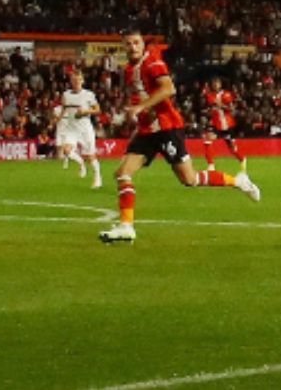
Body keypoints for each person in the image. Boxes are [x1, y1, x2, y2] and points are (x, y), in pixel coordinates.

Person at [99, 32, 259, 243]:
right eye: (128, 44)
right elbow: (141, 96)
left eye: (136, 42)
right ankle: (126, 226)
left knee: (189, 179)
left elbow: (168, 88)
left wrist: (141, 107)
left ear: (142, 44)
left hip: (167, 128)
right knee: (122, 173)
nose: (132, 47)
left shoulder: (152, 62)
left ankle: (238, 181)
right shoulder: (129, 70)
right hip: (147, 131)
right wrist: (128, 113)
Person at [51, 70, 101, 187]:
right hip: (71, 128)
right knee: (67, 150)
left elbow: (98, 110)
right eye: (74, 80)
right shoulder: (66, 95)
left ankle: (97, 177)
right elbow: (64, 109)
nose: (76, 82)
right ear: (71, 81)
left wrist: (86, 111)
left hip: (85, 128)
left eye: (78, 80)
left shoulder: (88, 95)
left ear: (82, 81)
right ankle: (81, 163)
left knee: (91, 155)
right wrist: (58, 118)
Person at [199, 74, 250, 173]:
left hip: (227, 124)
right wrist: (208, 111)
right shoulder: (210, 95)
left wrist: (220, 105)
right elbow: (211, 108)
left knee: (232, 149)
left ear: (220, 84)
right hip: (215, 123)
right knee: (207, 140)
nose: (215, 85)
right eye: (213, 83)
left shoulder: (226, 94)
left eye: (217, 83)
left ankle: (242, 159)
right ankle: (211, 165)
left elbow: (231, 108)